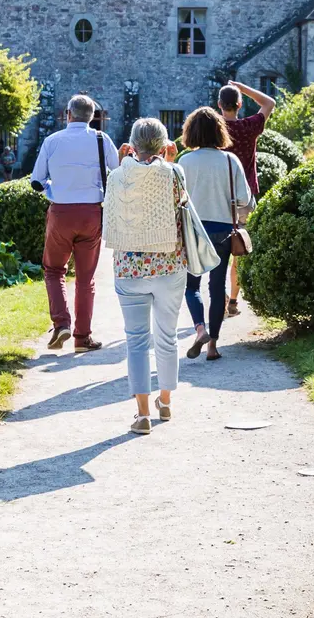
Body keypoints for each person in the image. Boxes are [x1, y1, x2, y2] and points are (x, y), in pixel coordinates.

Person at [101, 117, 187, 434]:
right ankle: (164, 402)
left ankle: (142, 414)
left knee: (136, 342)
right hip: (168, 266)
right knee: (166, 337)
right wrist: (169, 160)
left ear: (131, 146)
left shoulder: (116, 177)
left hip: (130, 269)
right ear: (165, 146)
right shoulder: (174, 172)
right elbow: (182, 205)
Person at [30, 95, 119, 352]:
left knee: (54, 270)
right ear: (93, 116)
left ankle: (61, 324)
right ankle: (82, 338)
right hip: (91, 213)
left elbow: (37, 181)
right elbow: (116, 167)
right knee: (85, 278)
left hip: (61, 212)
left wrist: (52, 186)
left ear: (67, 114)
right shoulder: (102, 140)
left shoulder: (52, 141)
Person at [176, 107, 252, 361]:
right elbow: (245, 200)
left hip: (194, 231)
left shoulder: (185, 161)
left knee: (192, 286)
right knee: (217, 286)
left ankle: (200, 329)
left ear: (191, 132)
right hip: (222, 230)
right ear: (220, 131)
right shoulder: (231, 161)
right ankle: (213, 346)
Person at [216, 80, 275, 316]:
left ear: (219, 104)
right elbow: (269, 102)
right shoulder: (249, 127)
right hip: (245, 196)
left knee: (217, 251)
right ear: (239, 104)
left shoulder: (213, 129)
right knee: (239, 251)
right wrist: (244, 88)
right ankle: (233, 301)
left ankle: (218, 295)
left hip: (218, 197)